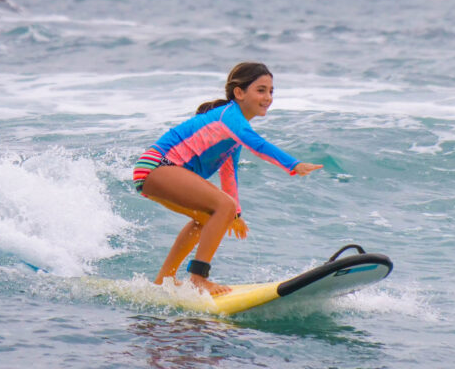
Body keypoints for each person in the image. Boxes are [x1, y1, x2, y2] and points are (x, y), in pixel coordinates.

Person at [131, 62, 322, 295]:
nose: (268, 97)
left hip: (156, 172)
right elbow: (259, 146)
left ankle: (164, 279)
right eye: (261, 90)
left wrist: (236, 213)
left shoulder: (233, 133)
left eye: (271, 91)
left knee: (205, 219)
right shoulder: (229, 117)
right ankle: (198, 278)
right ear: (239, 93)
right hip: (157, 166)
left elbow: (229, 172)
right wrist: (294, 165)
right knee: (222, 206)